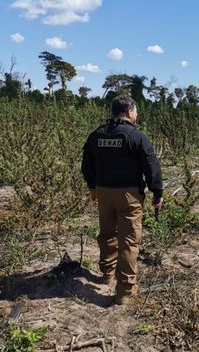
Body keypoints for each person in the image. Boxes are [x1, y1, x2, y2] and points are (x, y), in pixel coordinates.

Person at [81, 95, 163, 305]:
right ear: (129, 112)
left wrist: (92, 187)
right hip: (129, 196)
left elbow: (87, 165)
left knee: (107, 234)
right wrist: (157, 193)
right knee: (128, 240)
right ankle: (125, 291)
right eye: (135, 111)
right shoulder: (137, 137)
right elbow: (152, 167)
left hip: (104, 193)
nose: (136, 115)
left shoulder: (96, 135)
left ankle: (107, 274)